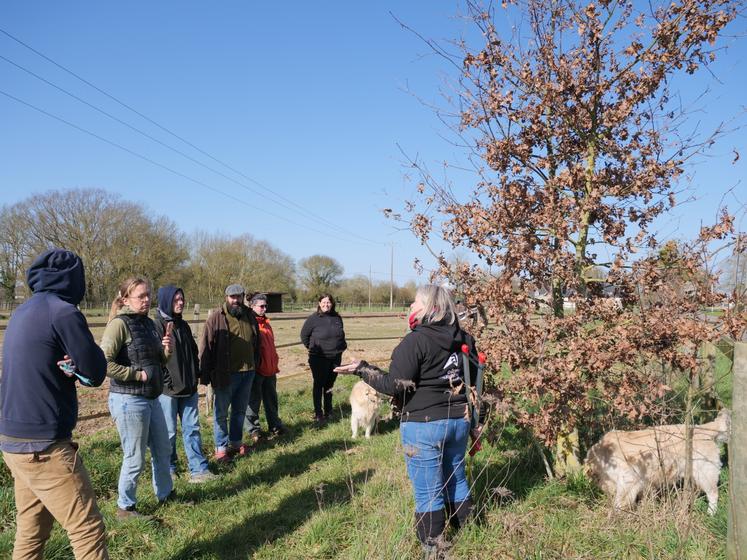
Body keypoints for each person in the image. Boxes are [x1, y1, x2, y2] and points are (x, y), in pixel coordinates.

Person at [335, 284, 477, 558]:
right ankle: (470, 534)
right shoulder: (465, 339)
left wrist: (362, 369)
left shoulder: (415, 341)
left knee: (428, 490)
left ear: (430, 309)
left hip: (424, 424)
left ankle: (433, 548)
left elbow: (393, 385)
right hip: (459, 420)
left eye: (415, 303)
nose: (410, 308)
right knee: (456, 478)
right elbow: (472, 377)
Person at [0, 249, 109, 559]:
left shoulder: (22, 312)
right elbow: (96, 371)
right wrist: (78, 363)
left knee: (31, 531)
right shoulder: (64, 313)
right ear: (75, 280)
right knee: (88, 531)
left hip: (11, 440)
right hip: (44, 446)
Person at [101, 277, 174, 519]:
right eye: (140, 296)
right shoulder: (119, 325)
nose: (146, 300)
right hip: (129, 399)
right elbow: (105, 363)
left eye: (148, 295)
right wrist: (136, 374)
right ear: (125, 299)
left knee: (163, 449)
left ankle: (165, 494)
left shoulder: (150, 323)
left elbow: (157, 361)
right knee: (134, 457)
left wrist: (166, 349)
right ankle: (126, 507)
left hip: (152, 398)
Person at [154, 285, 217, 483]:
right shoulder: (156, 326)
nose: (181, 302)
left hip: (188, 388)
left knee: (192, 429)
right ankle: (168, 468)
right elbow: (155, 359)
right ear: (166, 301)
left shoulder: (184, 325)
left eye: (181, 299)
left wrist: (196, 375)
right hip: (168, 391)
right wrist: (167, 382)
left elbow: (192, 353)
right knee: (169, 433)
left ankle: (198, 470)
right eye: (176, 300)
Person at [199, 284, 260, 462]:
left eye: (239, 296)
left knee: (240, 411)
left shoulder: (249, 315)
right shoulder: (217, 318)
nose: (236, 300)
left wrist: (256, 363)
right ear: (226, 297)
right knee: (221, 412)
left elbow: (256, 342)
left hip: (247, 372)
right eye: (232, 297)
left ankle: (236, 442)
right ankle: (221, 448)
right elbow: (206, 346)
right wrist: (206, 373)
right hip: (226, 374)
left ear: (243, 297)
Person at [300, 293, 347, 424]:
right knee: (319, 384)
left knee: (330, 384)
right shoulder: (313, 319)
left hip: (335, 357)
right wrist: (312, 347)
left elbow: (341, 333)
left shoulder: (337, 317)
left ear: (332, 303)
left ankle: (328, 410)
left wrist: (341, 347)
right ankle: (318, 413)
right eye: (324, 302)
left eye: (329, 302)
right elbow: (304, 335)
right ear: (319, 304)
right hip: (319, 358)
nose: (326, 305)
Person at [245, 293, 286, 441]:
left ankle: (275, 425)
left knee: (271, 400)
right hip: (257, 370)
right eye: (261, 306)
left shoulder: (266, 323)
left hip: (270, 369)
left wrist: (274, 362)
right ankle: (253, 430)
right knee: (253, 401)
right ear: (252, 306)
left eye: (265, 306)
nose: (264, 308)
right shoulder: (249, 323)